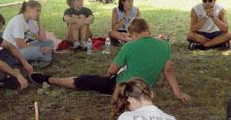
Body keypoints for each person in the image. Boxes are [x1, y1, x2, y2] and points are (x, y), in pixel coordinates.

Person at [31, 18, 190, 102]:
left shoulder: (129, 47)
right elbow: (168, 71)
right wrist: (178, 93)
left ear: (133, 34)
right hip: (145, 89)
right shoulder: (164, 46)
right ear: (148, 30)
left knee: (83, 80)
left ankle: (51, 79)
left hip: (123, 86)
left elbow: (111, 71)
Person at [2, 0, 57, 67]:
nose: (39, 13)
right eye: (37, 10)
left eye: (40, 11)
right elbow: (20, 44)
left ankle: (42, 59)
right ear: (28, 9)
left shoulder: (30, 21)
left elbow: (42, 39)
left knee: (49, 42)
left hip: (23, 48)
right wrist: (40, 49)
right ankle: (44, 59)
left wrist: (39, 21)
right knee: (36, 50)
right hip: (13, 52)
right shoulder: (18, 21)